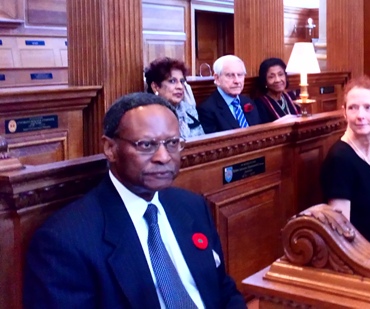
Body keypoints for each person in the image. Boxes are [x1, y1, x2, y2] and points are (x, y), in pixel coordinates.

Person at [23, 93, 246, 308]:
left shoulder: (191, 206)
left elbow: (222, 290)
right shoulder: (65, 240)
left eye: (172, 143)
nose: (164, 157)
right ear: (110, 148)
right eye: (146, 145)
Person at [321, 76, 370, 249]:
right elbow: (342, 231)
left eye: (368, 107)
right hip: (358, 257)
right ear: (344, 113)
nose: (360, 115)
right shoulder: (340, 159)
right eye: (353, 108)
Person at [197, 55, 264, 134]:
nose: (237, 81)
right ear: (217, 78)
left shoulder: (248, 102)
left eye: (240, 75)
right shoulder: (207, 109)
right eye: (230, 75)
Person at [145, 57, 205, 139]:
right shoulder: (147, 116)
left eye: (182, 81)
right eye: (172, 81)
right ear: (155, 87)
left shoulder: (189, 110)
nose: (180, 86)